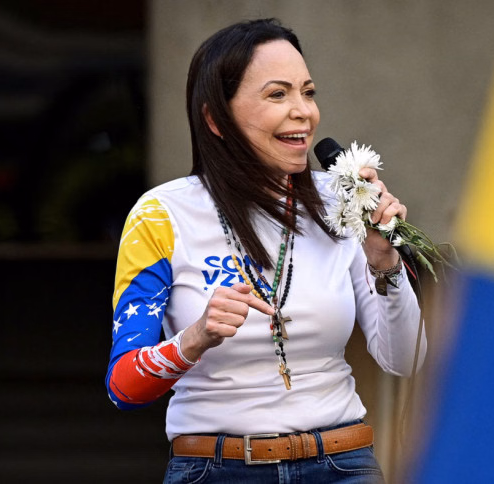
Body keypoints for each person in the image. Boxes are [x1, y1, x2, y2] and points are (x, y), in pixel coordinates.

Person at [105, 18, 426, 483]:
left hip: (342, 464)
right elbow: (124, 386)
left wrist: (385, 263)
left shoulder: (343, 200)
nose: (303, 112)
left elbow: (406, 359)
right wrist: (196, 337)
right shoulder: (161, 215)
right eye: (278, 95)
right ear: (215, 119)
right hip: (214, 469)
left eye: (308, 93)